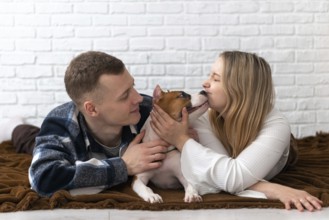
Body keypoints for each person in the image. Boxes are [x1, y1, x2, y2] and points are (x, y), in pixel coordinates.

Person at [150, 51, 323, 212]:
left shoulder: (276, 124)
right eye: (210, 76)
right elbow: (223, 177)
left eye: (216, 79)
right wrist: (275, 189)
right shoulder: (204, 117)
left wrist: (181, 140)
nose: (205, 83)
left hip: (282, 153)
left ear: (239, 89)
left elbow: (230, 177)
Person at [0, 51, 168, 197]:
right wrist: (123, 165)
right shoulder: (60, 123)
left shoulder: (148, 110)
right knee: (31, 141)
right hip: (71, 147)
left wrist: (181, 137)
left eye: (133, 86)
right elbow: (43, 178)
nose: (138, 97)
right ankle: (13, 126)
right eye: (125, 95)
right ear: (92, 108)